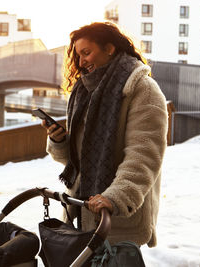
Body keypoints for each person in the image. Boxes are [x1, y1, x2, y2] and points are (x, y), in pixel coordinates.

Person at [42, 22, 168, 248]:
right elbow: (79, 161)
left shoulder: (143, 90)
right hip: (80, 213)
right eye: (78, 56)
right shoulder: (85, 93)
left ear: (109, 48)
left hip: (114, 220)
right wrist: (61, 142)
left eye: (86, 53)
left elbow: (144, 155)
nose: (81, 62)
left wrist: (115, 198)